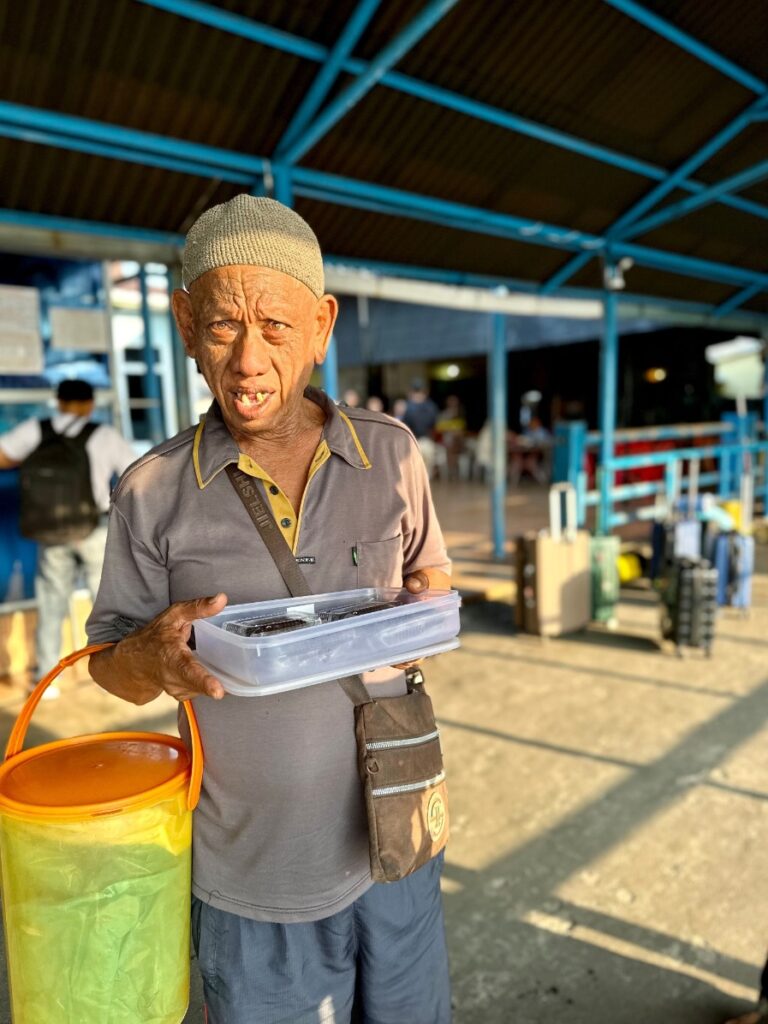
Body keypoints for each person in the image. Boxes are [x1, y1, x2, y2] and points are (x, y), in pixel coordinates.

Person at [85, 195, 453, 1024]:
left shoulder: (389, 452)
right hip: (251, 878)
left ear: (322, 326)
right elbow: (109, 662)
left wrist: (416, 611)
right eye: (222, 326)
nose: (249, 359)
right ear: (184, 323)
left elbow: (431, 568)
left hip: (395, 841)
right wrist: (149, 658)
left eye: (277, 328)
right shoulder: (151, 491)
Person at [0, 379, 135, 697]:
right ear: (89, 404)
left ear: (58, 402)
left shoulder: (36, 430)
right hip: (95, 528)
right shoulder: (103, 435)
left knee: (51, 602)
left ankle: (46, 680)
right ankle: (113, 674)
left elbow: (3, 456)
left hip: (51, 531)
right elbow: (134, 473)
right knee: (106, 604)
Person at [402, 379, 440, 478]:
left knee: (420, 473)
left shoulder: (413, 406)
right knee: (419, 473)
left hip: (420, 441)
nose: (417, 394)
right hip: (415, 441)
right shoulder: (409, 406)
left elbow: (431, 423)